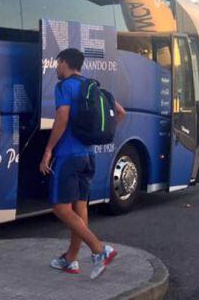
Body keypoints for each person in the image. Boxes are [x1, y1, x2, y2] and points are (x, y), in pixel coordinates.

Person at [41, 48, 126, 279]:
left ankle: (99, 250)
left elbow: (62, 117)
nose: (56, 68)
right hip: (89, 156)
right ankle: (71, 259)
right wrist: (95, 135)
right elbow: (120, 112)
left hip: (68, 156)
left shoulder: (64, 86)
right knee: (80, 207)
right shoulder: (92, 85)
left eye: (57, 63)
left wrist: (48, 150)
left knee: (60, 207)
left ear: (65, 63)